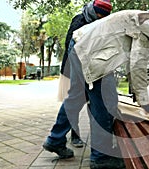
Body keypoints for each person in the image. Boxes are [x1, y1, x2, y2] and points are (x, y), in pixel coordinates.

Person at [64, 8, 149, 168]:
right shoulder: (148, 26)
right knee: (104, 106)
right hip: (89, 52)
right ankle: (100, 159)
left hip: (84, 46)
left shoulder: (145, 19)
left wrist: (139, 97)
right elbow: (137, 66)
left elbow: (133, 64)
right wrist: (145, 103)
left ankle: (66, 142)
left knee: (105, 99)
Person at [42, 0, 112, 159]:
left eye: (105, 15)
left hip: (88, 64)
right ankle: (98, 153)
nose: (101, 17)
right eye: (100, 13)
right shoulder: (80, 20)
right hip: (76, 65)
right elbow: (71, 45)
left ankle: (55, 139)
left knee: (75, 99)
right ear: (94, 10)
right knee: (90, 101)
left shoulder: (101, 22)